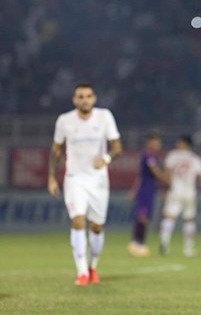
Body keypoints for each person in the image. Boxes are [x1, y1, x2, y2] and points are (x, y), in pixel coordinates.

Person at [47, 83, 122, 286]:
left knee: (97, 226)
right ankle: (82, 272)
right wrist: (52, 177)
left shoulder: (104, 116)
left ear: (94, 99)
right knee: (78, 220)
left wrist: (106, 158)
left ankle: (93, 267)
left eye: (88, 96)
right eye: (80, 96)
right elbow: (56, 150)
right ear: (74, 100)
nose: (85, 100)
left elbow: (117, 147)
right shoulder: (64, 121)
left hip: (98, 180)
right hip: (75, 179)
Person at [159, 135, 201, 258]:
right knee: (189, 220)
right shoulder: (196, 159)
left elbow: (167, 174)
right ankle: (188, 249)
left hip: (175, 191)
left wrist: (165, 188)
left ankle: (164, 243)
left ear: (184, 144)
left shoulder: (173, 156)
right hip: (189, 192)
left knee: (169, 217)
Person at [127, 132, 167, 258]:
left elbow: (140, 175)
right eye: (155, 142)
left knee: (145, 217)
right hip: (145, 190)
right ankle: (139, 243)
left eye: (159, 143)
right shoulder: (149, 156)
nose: (158, 145)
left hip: (150, 189)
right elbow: (156, 172)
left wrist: (133, 190)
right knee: (143, 216)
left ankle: (137, 242)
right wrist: (168, 182)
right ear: (150, 143)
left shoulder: (153, 156)